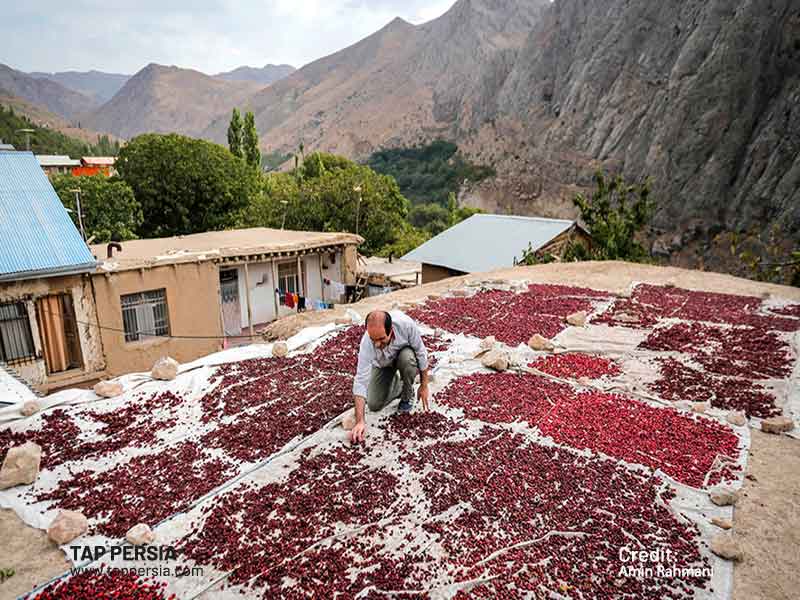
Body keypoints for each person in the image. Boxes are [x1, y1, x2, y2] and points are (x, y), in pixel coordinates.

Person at [349, 310, 429, 443]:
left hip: (403, 358)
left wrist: (424, 385)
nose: (377, 344)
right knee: (374, 404)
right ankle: (399, 386)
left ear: (391, 330)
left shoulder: (406, 326)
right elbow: (360, 381)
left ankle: (407, 395)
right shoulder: (367, 342)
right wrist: (360, 421)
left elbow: (421, 353)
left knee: (407, 360)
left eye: (381, 339)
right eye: (373, 340)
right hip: (382, 364)